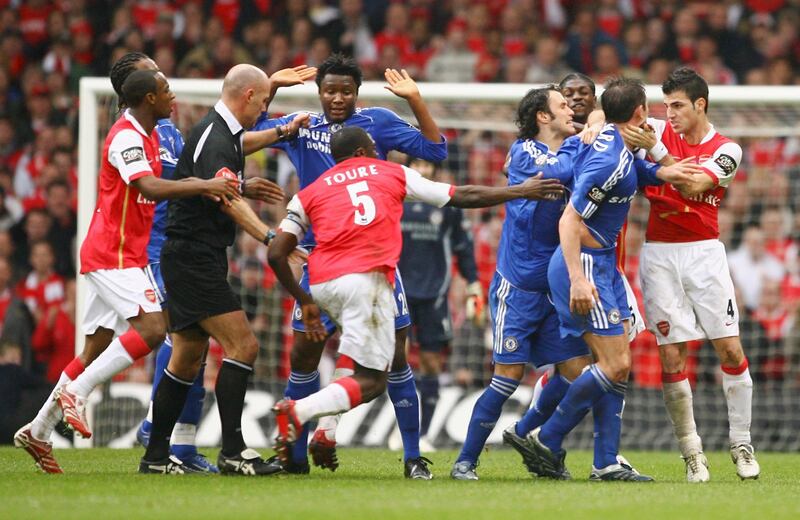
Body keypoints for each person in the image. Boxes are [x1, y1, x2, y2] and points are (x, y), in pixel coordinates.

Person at [268, 126, 564, 470]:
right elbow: (462, 195)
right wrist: (519, 190)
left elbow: (276, 253)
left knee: (353, 352)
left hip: (320, 284)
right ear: (366, 152)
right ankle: (297, 411)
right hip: (368, 279)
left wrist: (303, 299)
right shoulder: (390, 172)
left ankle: (326, 430)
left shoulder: (310, 191)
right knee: (375, 379)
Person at [13, 68, 241, 474]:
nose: (173, 95)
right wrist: (205, 185)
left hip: (122, 253)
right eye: (166, 89)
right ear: (149, 98)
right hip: (112, 254)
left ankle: (39, 428)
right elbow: (149, 187)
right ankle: (78, 392)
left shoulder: (153, 134)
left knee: (96, 346)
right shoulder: (125, 137)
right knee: (155, 328)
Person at [248, 53, 447, 478]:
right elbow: (247, 129)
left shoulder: (378, 122)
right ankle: (293, 457)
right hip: (321, 261)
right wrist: (272, 88)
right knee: (304, 358)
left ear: (357, 93)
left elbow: (436, 149)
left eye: (345, 91)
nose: (337, 98)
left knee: (395, 359)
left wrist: (415, 99)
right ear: (319, 91)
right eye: (330, 90)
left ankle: (412, 458)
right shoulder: (300, 125)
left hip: (373, 261)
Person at [124, 51, 316, 473]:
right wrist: (272, 237)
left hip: (190, 255)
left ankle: (155, 457)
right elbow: (228, 201)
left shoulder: (220, 130)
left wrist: (283, 130)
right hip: (194, 258)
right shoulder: (215, 139)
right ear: (248, 96)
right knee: (243, 346)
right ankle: (234, 453)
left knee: (188, 356)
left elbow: (243, 143)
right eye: (264, 102)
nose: (265, 108)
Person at [524, 78, 695, 481]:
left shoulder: (616, 144)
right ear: (638, 112)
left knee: (616, 363)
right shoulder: (608, 158)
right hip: (584, 264)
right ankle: (545, 439)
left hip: (603, 264)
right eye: (648, 108)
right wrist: (577, 279)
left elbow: (639, 170)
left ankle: (604, 461)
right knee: (613, 364)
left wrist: (667, 172)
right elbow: (570, 219)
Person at [622, 67, 759, 482]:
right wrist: (598, 127)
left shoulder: (727, 148)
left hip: (705, 254)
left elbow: (695, 186)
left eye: (678, 105)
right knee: (671, 353)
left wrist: (659, 155)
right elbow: (608, 116)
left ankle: (741, 442)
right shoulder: (657, 129)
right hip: (660, 254)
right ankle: (692, 453)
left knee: (730, 349)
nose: (671, 113)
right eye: (666, 105)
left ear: (701, 104)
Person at [397, 157, 482, 449]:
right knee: (397, 361)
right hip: (399, 293)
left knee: (432, 363)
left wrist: (473, 284)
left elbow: (464, 248)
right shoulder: (395, 199)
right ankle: (402, 430)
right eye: (416, 165)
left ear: (435, 169)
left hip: (434, 294)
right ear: (409, 168)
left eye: (426, 165)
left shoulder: (447, 202)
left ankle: (424, 434)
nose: (422, 170)